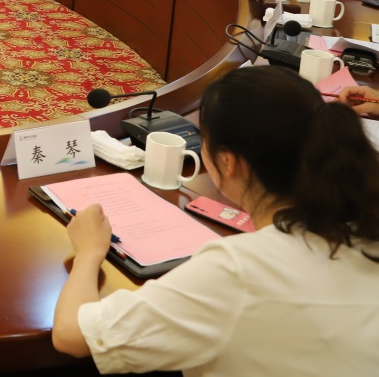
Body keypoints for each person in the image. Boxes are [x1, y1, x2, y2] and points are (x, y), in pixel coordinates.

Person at [53, 65, 379, 375]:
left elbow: (72, 335)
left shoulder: (237, 270)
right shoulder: (364, 221)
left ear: (227, 162)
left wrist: (89, 252)